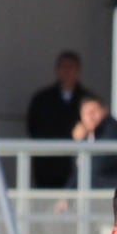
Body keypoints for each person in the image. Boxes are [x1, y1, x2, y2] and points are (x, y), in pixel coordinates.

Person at [26, 51, 92, 189]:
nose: (67, 71)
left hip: (77, 165)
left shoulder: (88, 100)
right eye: (63, 67)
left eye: (71, 67)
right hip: (47, 164)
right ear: (57, 70)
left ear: (78, 70)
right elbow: (33, 127)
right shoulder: (42, 99)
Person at [69, 94, 117, 191]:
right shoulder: (88, 137)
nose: (90, 117)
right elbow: (78, 172)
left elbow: (98, 164)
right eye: (86, 113)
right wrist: (66, 196)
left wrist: (80, 142)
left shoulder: (113, 131)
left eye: (94, 111)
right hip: (90, 195)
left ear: (104, 111)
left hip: (110, 195)